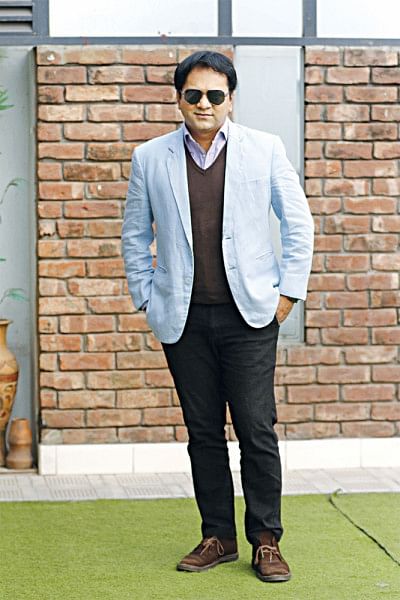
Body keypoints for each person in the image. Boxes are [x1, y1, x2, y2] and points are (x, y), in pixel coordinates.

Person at [122, 50, 314, 583]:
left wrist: (287, 295)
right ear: (178, 98)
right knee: (203, 432)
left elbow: (298, 224)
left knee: (256, 428)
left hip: (250, 316)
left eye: (214, 94)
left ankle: (266, 540)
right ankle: (218, 537)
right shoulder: (150, 158)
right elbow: (135, 234)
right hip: (182, 319)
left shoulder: (264, 149)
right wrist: (146, 297)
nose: (203, 104)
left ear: (230, 98)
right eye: (193, 94)